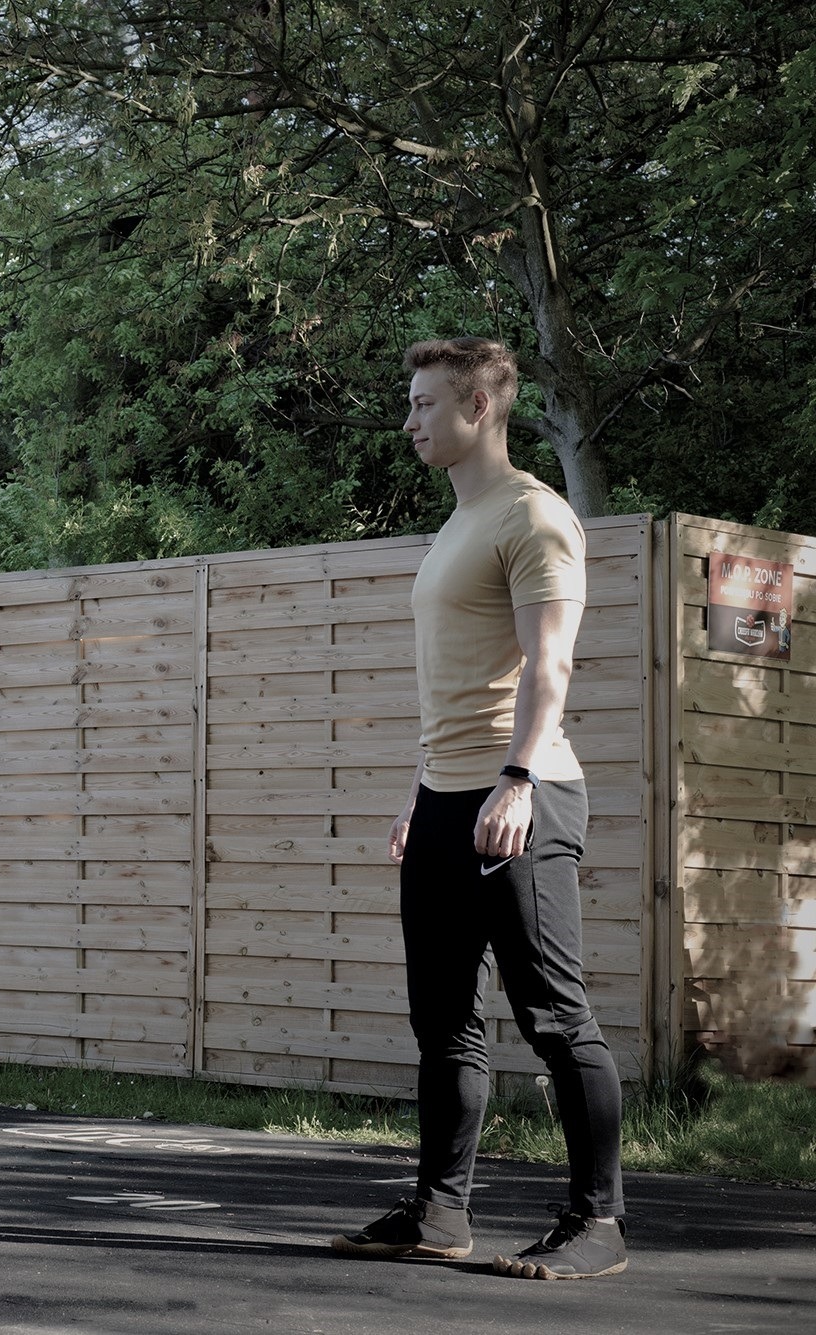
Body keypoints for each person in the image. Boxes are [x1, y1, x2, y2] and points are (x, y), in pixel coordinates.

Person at [329, 337, 627, 1279]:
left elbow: (551, 665)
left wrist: (518, 780)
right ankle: (440, 1213)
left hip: (523, 797)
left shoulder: (534, 517)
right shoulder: (456, 527)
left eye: (425, 404)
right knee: (444, 1023)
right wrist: (426, 794)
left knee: (554, 1019)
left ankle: (599, 1220)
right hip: (447, 799)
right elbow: (458, 682)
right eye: (409, 403)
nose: (409, 420)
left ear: (480, 408)